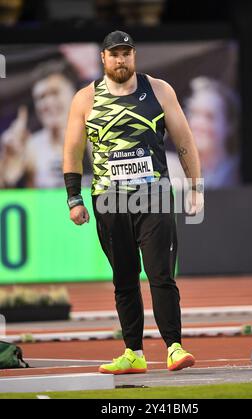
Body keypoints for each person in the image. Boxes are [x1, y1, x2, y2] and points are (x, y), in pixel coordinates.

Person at [63, 30, 204, 374]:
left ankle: (174, 347)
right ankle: (133, 353)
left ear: (134, 56)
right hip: (109, 201)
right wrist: (73, 199)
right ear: (103, 59)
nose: (121, 59)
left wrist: (195, 188)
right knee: (124, 279)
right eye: (115, 54)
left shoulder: (158, 90)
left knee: (161, 275)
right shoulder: (85, 98)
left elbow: (185, 140)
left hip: (154, 197)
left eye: (126, 53)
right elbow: (71, 150)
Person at [0, 59, 92, 188]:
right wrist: (9, 157)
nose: (47, 103)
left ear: (75, 94)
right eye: (41, 97)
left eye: (55, 92)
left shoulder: (97, 138)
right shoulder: (31, 147)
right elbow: (7, 181)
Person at [167, 76, 240, 189]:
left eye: (209, 117)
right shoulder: (173, 169)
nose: (198, 124)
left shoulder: (238, 172)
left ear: (229, 125)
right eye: (194, 113)